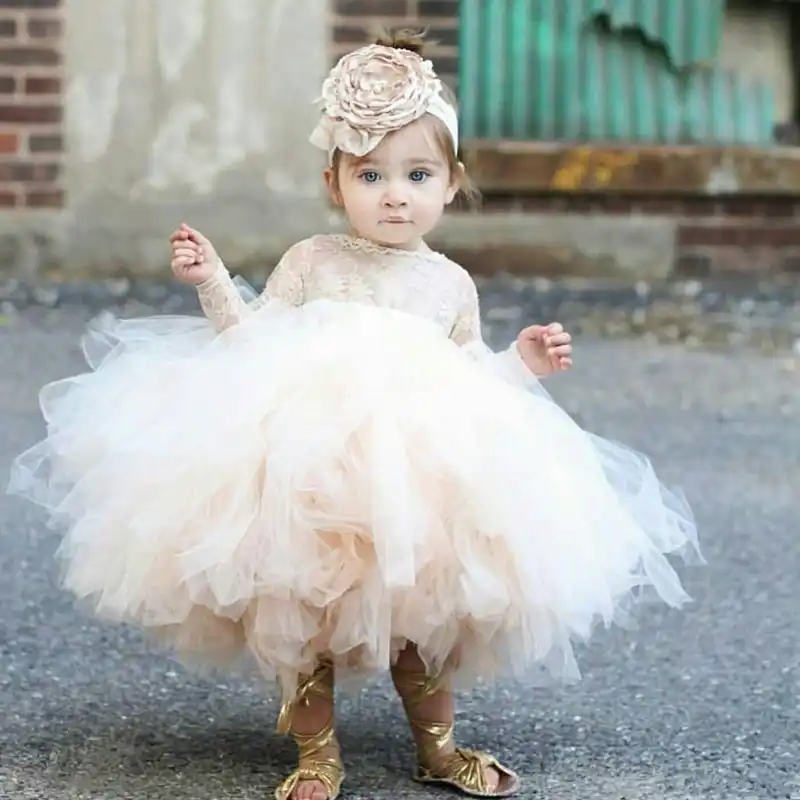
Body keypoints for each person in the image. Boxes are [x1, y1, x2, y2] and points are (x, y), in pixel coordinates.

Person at [7, 30, 701, 800]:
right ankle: (316, 752)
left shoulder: (449, 284)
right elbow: (251, 342)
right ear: (336, 183)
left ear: (450, 183)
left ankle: (437, 747)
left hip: (418, 479)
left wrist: (524, 364)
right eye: (370, 173)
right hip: (307, 472)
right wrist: (211, 284)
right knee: (301, 604)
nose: (394, 192)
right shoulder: (312, 260)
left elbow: (473, 380)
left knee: (421, 613)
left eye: (417, 173)